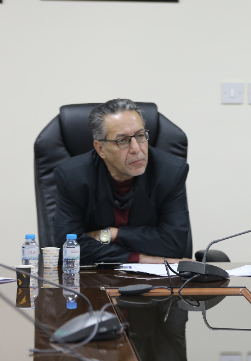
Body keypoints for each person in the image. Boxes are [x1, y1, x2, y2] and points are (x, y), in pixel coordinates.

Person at [53, 99, 190, 264]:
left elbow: (174, 244)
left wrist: (112, 234)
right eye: (122, 140)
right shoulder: (73, 177)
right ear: (101, 149)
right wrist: (138, 258)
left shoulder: (170, 173)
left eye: (140, 136)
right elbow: (67, 247)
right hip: (94, 277)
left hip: (153, 278)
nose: (136, 149)